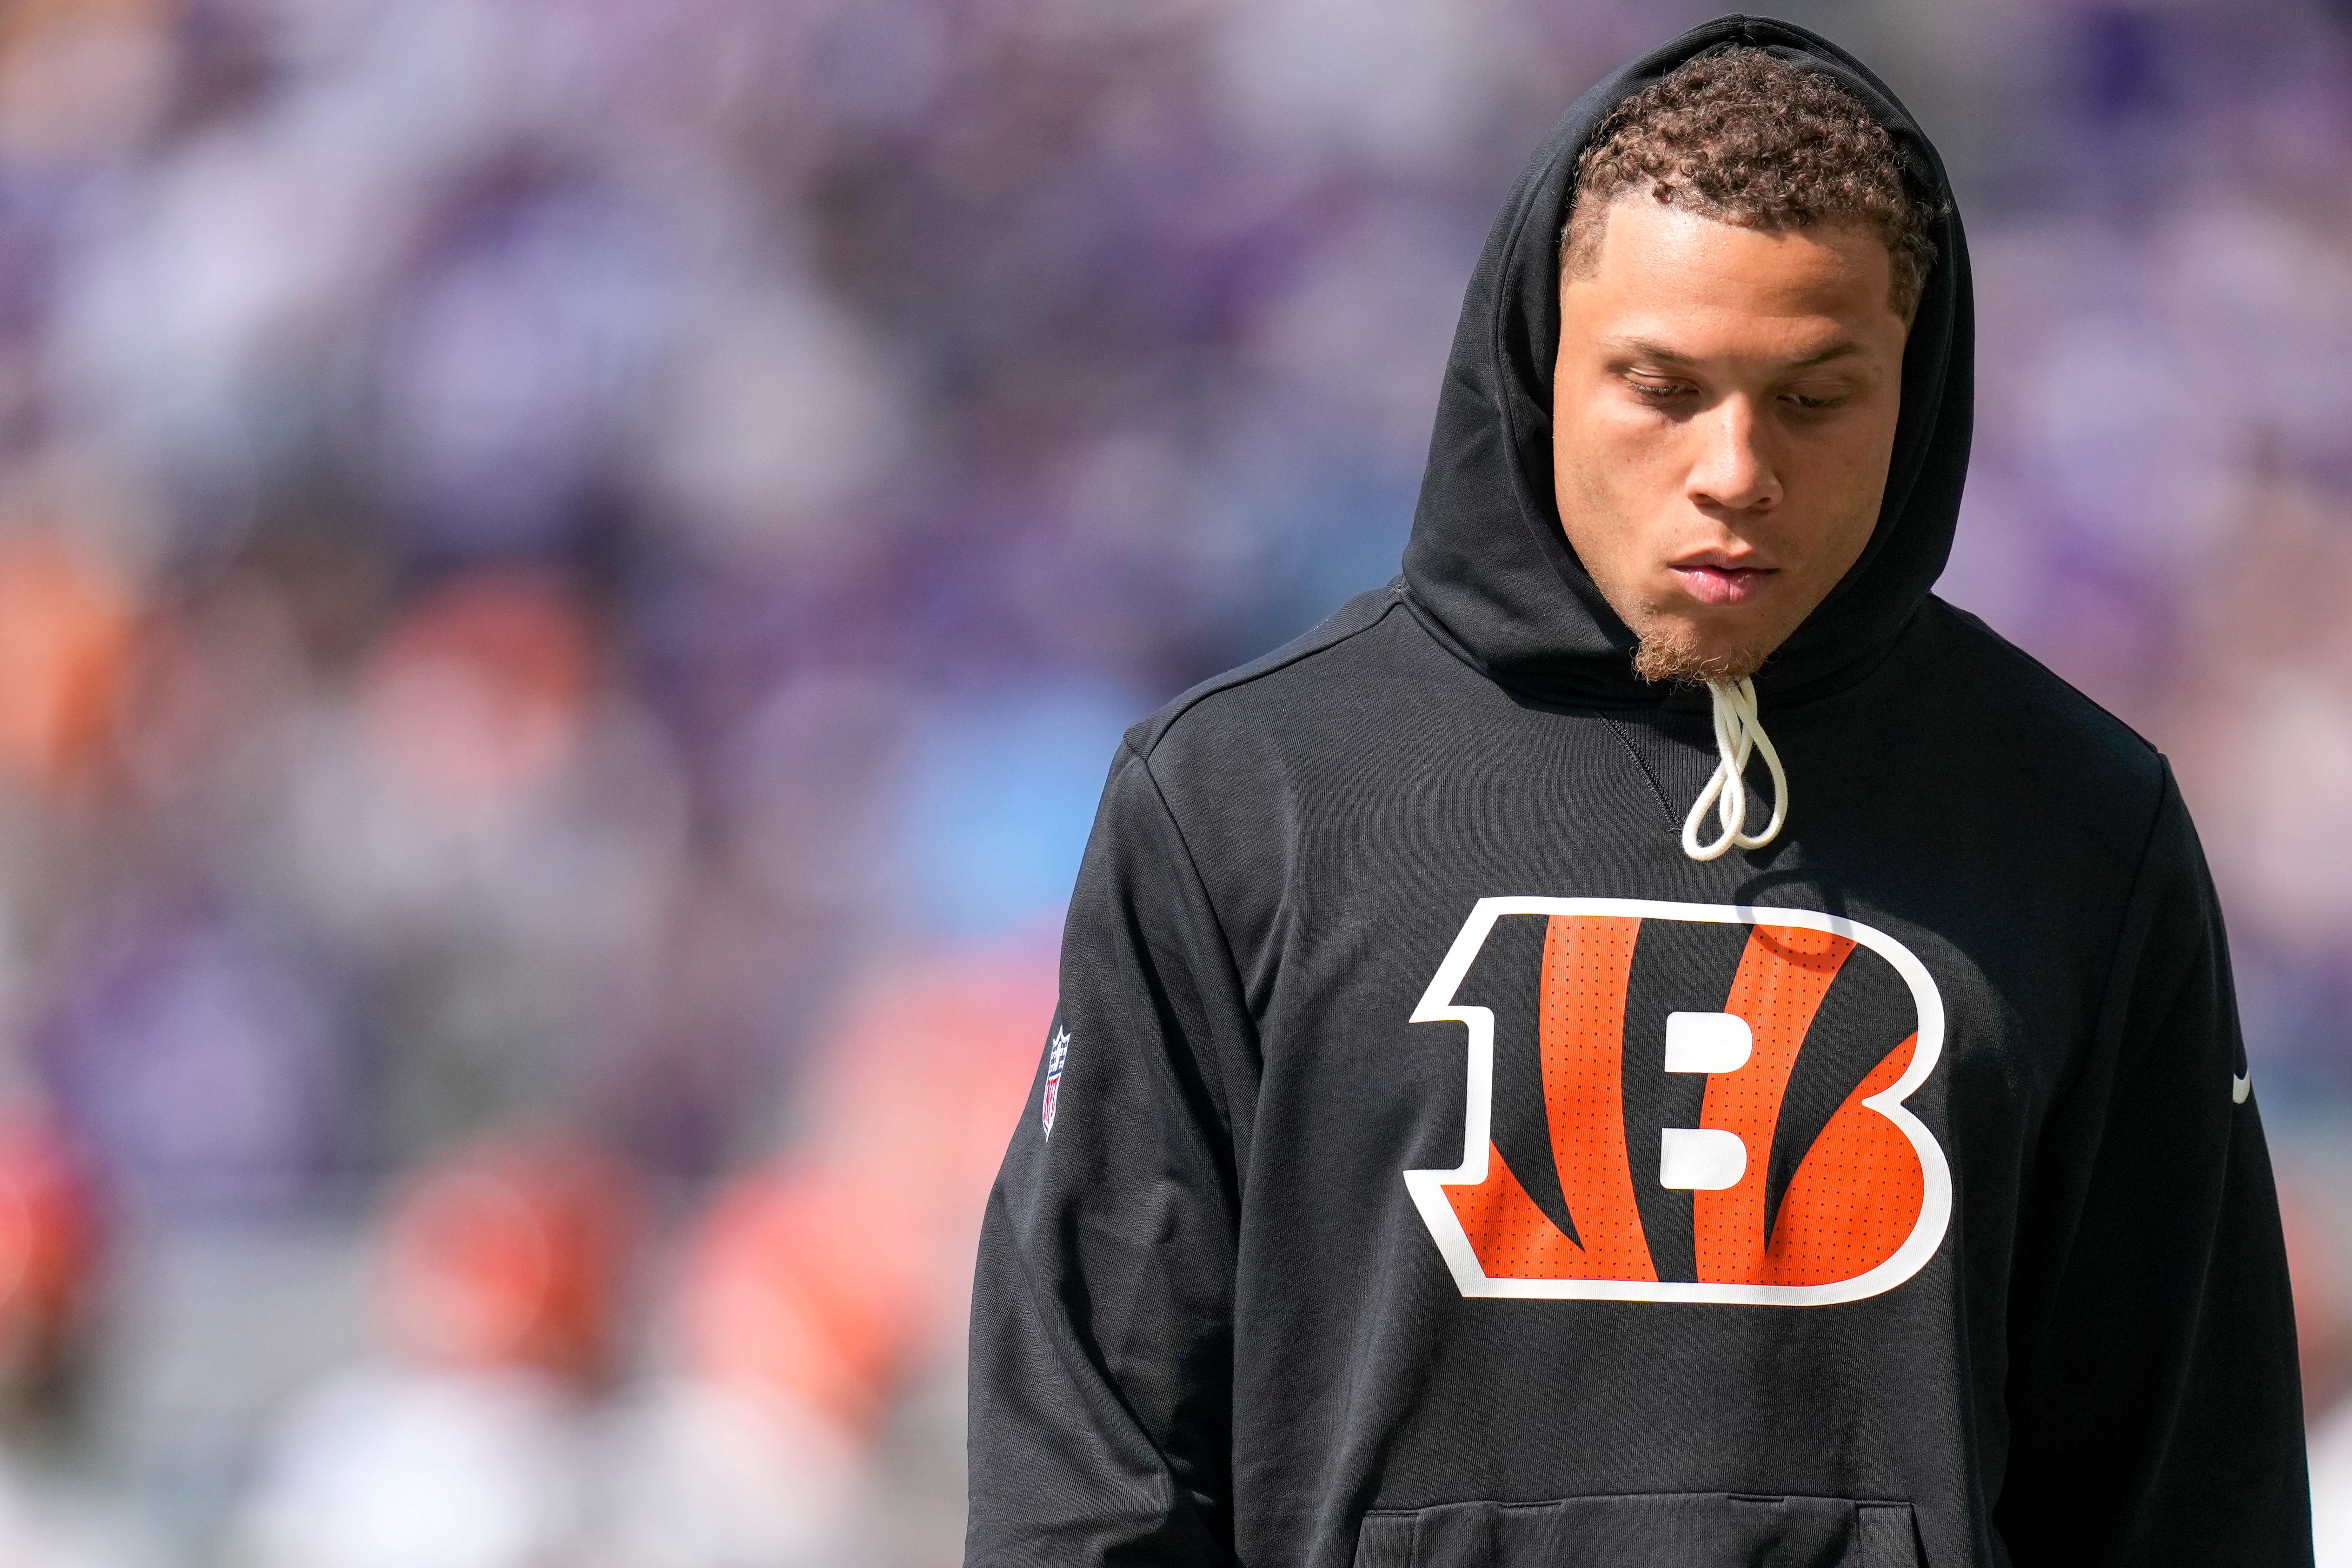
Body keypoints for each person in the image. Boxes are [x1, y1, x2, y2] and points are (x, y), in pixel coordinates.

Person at [965, 16, 2310, 1568]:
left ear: (1916, 387)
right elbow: (1089, 1468)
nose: (1734, 468)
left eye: (1813, 397)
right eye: (1659, 387)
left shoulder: (2081, 821)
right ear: (1539, 366)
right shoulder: (1242, 798)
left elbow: (2185, 1489)